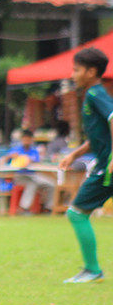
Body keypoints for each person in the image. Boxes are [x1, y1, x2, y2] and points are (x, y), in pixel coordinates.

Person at [58, 47, 111, 283]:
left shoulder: (95, 95)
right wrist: (74, 154)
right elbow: (99, 136)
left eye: (76, 70)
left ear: (91, 71)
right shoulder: (91, 96)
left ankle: (92, 269)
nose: (72, 74)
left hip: (107, 167)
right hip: (105, 163)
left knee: (77, 212)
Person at [3, 128, 53, 214]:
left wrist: (30, 161)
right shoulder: (15, 150)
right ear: (22, 139)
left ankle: (49, 208)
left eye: (28, 139)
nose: (26, 141)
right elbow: (3, 161)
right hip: (20, 176)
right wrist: (9, 157)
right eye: (25, 139)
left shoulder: (34, 152)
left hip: (33, 175)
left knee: (51, 184)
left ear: (31, 140)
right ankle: (24, 208)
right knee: (31, 184)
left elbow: (38, 164)